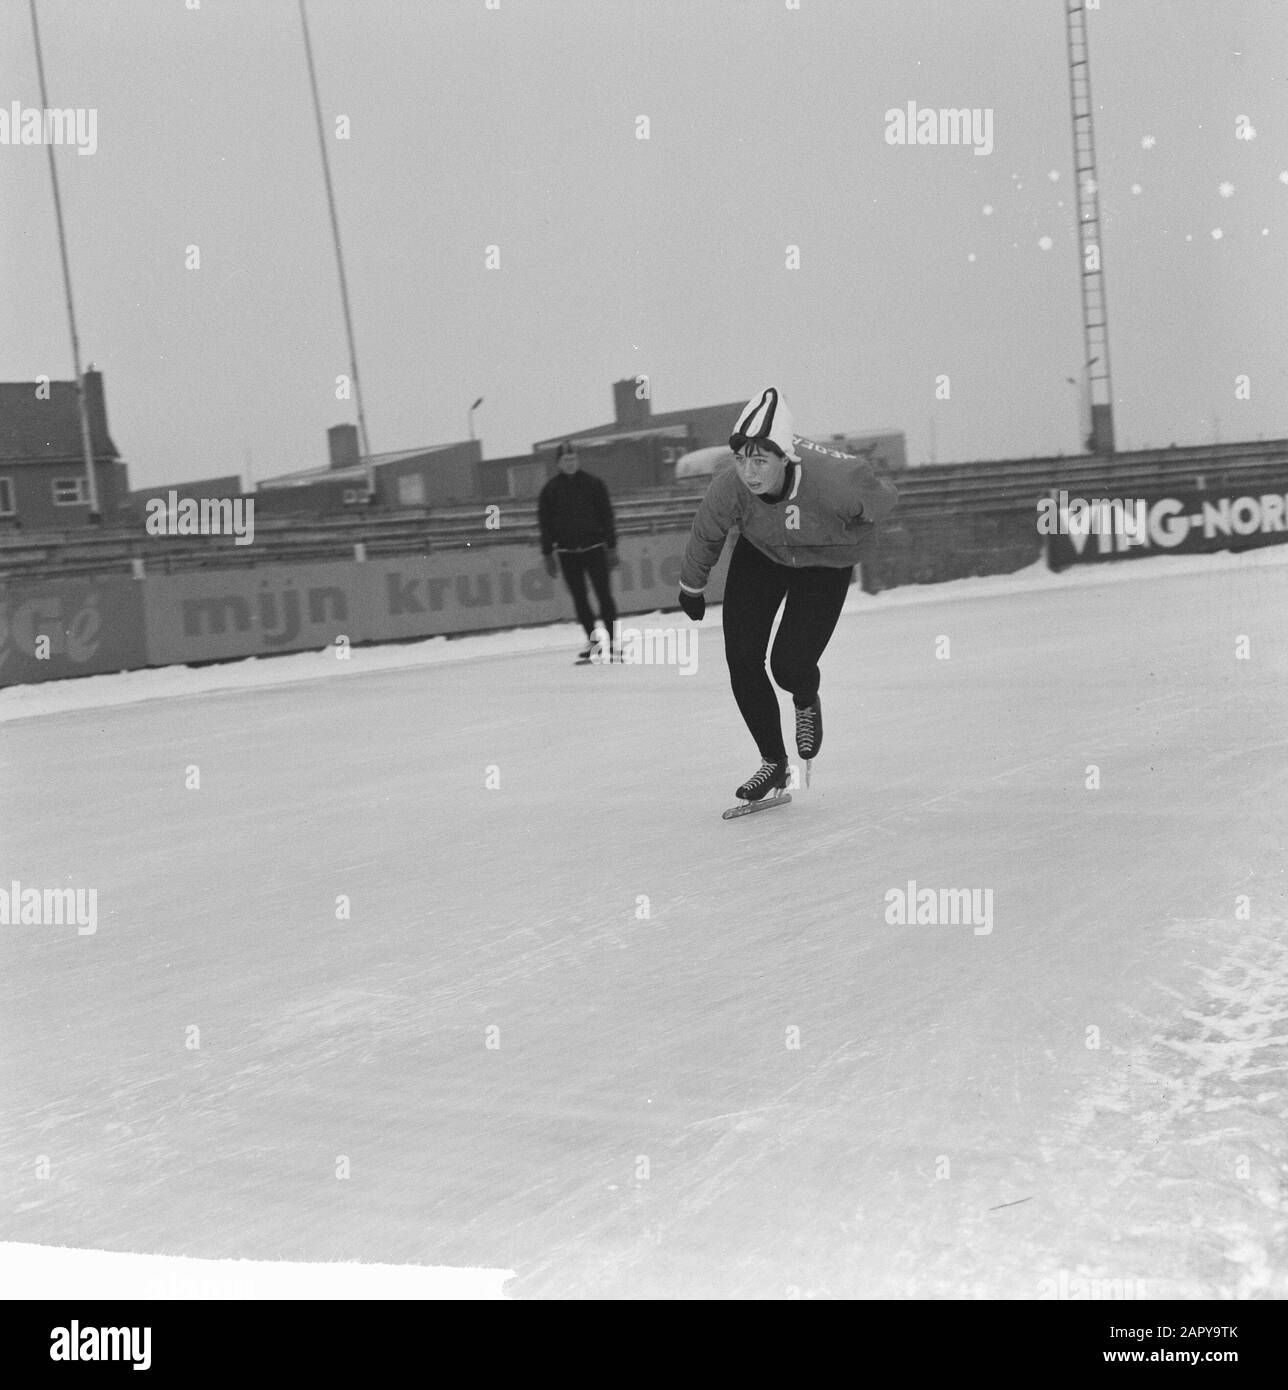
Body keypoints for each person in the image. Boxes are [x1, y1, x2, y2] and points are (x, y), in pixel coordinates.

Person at [676, 387, 898, 802]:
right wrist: (692, 585)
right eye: (742, 460)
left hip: (825, 562)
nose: (750, 472)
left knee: (788, 664)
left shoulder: (836, 483)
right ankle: (773, 763)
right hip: (763, 552)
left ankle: (805, 697)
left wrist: (855, 532)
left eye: (761, 460)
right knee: (742, 658)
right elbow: (707, 531)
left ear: (785, 457)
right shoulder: (732, 485)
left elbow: (883, 500)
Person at [538, 441, 620, 661]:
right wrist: (547, 553)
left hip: (594, 549)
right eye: (565, 460)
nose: (570, 463)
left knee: (604, 596)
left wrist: (611, 545)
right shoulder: (550, 490)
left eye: (573, 459)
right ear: (558, 463)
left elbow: (607, 516)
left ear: (578, 459)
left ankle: (613, 641)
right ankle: (593, 643)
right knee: (580, 599)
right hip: (567, 553)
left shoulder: (594, 484)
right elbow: (545, 524)